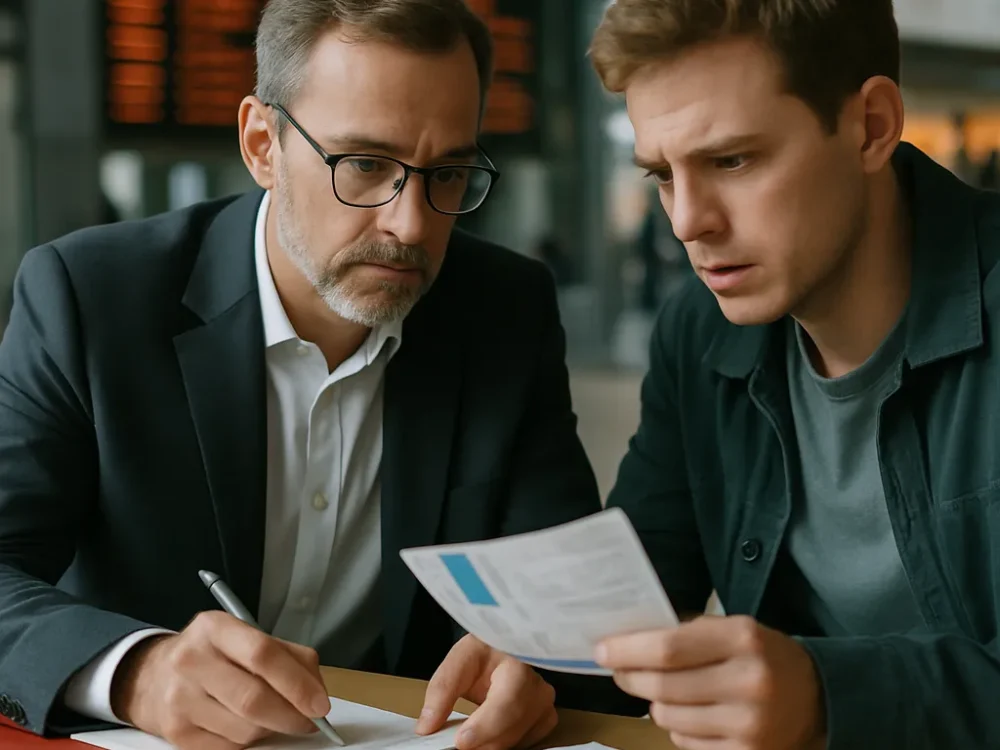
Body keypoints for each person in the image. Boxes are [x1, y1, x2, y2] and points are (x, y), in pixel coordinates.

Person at [0, 1, 631, 748]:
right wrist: (135, 671)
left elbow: (562, 599)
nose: (410, 224)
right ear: (262, 145)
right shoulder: (91, 298)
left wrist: (535, 660)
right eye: (364, 165)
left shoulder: (503, 311)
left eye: (449, 172)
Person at [586, 1, 1000, 748]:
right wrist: (540, 661)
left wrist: (824, 696)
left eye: (732, 161)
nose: (686, 222)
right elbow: (640, 586)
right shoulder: (698, 329)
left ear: (871, 126)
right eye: (662, 175)